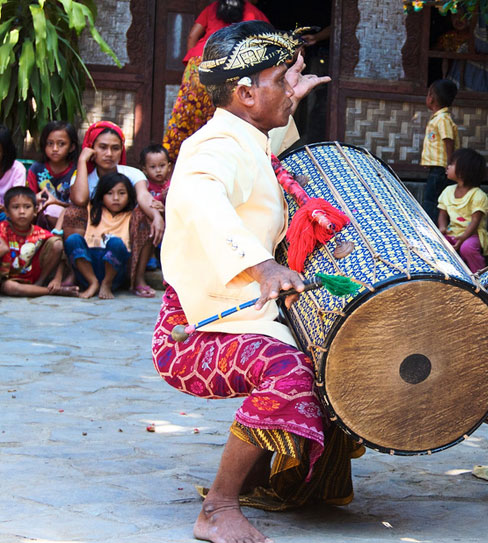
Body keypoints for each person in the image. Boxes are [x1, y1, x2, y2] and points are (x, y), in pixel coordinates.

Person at [151, 21, 349, 543]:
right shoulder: (212, 148)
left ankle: (285, 483)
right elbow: (200, 200)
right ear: (244, 93)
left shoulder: (243, 136)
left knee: (334, 357)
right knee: (285, 370)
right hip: (194, 328)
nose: (292, 88)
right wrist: (263, 266)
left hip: (239, 313)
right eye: (283, 79)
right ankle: (217, 507)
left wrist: (288, 99)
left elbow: (261, 151)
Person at [163, 0, 270, 162]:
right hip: (229, 69)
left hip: (198, 65)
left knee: (185, 116)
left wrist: (193, 62)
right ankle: (212, 160)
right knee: (219, 117)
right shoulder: (254, 13)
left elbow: (193, 35)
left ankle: (169, 161)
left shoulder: (212, 7)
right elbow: (268, 43)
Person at [66, 121, 164, 298]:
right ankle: (77, 275)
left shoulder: (133, 174)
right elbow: (79, 199)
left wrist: (157, 216)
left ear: (122, 151)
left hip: (121, 255)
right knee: (74, 211)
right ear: (91, 149)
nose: (109, 154)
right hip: (91, 251)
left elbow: (143, 197)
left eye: (115, 148)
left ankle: (138, 278)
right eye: (102, 147)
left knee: (145, 215)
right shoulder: (82, 176)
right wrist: (82, 160)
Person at [64, 173, 140, 300]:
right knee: (73, 239)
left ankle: (106, 283)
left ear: (129, 195)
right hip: (88, 264)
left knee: (116, 243)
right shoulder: (92, 210)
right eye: (110, 193)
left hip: (115, 270)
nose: (116, 198)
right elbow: (73, 203)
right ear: (101, 195)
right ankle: (92, 282)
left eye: (122, 193)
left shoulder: (132, 214)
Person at [0, 186, 74, 297]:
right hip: (6, 280)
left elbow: (61, 254)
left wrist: (57, 279)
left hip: (33, 277)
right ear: (7, 212)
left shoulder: (40, 233)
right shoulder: (3, 228)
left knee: (57, 243)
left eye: (27, 207)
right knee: (9, 287)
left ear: (35, 211)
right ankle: (52, 291)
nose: (22, 212)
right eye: (15, 207)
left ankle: (39, 284)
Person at [437, 148, 488, 271]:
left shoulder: (478, 195)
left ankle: (480, 275)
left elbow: (475, 221)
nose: (447, 167)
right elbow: (442, 214)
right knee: (438, 246)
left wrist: (463, 237)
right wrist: (442, 228)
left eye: (451, 164)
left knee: (467, 248)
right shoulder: (448, 191)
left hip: (473, 235)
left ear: (462, 171)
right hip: (452, 233)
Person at [27, 121, 79, 232]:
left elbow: (79, 205)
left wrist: (56, 202)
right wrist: (34, 198)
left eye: (61, 144)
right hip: (37, 217)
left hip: (65, 219)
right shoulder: (36, 169)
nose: (55, 148)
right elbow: (26, 197)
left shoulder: (77, 171)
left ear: (72, 147)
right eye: (50, 143)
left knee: (52, 210)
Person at [420, 78, 460, 223]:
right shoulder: (438, 118)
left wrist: (449, 163)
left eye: (428, 94)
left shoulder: (442, 119)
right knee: (433, 198)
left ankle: (431, 227)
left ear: (432, 98)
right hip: (437, 167)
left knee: (432, 200)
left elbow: (448, 141)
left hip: (441, 168)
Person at [0, 125, 27, 222]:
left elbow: (17, 201)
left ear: (5, 150)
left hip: (7, 214)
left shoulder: (17, 169)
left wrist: (4, 208)